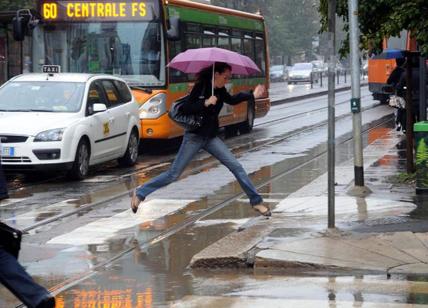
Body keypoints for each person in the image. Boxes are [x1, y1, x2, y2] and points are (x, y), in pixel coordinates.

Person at [131, 62, 271, 216]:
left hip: (211, 138)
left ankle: (256, 202)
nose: (227, 80)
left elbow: (232, 99)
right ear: (216, 75)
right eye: (225, 77)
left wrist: (252, 95)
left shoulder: (220, 90)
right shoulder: (201, 87)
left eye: (228, 78)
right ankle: (140, 193)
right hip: (194, 137)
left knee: (236, 166)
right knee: (174, 174)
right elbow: (187, 108)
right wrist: (205, 102)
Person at [387, 58, 406, 131]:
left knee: (399, 108)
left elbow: (388, 81)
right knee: (404, 108)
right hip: (406, 93)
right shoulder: (405, 71)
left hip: (398, 92)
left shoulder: (395, 71)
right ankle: (401, 124)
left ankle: (398, 123)